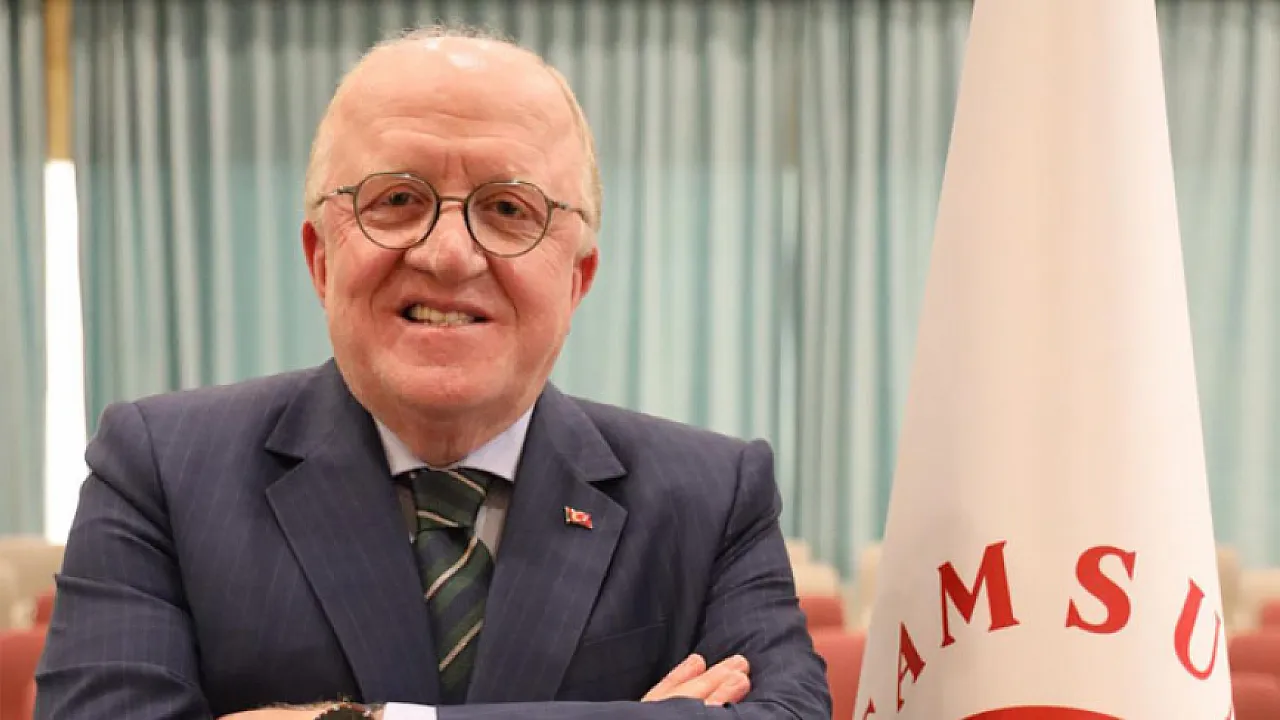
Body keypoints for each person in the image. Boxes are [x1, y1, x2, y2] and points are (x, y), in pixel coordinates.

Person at [35, 26, 830, 720]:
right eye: (396, 200)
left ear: (577, 279)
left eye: (510, 209)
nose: (449, 254)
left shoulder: (712, 496)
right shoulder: (161, 470)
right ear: (321, 258)